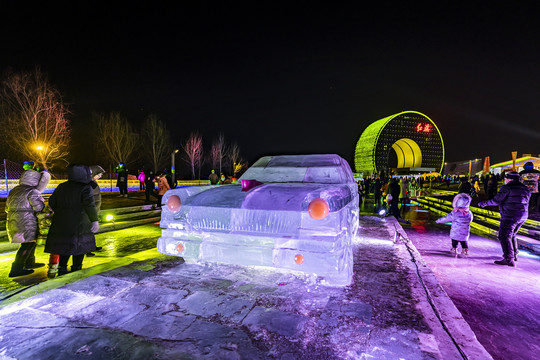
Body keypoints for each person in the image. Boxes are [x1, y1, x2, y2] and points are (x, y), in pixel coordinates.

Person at [44, 165, 99, 276]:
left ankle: (62, 268)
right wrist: (94, 220)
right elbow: (89, 205)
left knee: (64, 246)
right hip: (80, 221)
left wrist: (62, 212)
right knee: (80, 246)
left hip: (61, 222)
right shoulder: (85, 187)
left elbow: (52, 203)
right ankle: (76, 269)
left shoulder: (62, 186)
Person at [478, 171, 530, 266]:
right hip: (523, 215)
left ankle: (508, 258)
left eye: (505, 178)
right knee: (512, 235)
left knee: (504, 235)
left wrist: (483, 203)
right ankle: (513, 254)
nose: (504, 180)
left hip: (510, 215)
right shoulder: (525, 188)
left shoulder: (507, 187)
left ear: (510, 179)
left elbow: (496, 200)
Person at [6, 170, 50, 277]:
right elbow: (39, 208)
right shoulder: (32, 192)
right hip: (27, 221)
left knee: (30, 242)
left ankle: (30, 262)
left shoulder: (14, 190)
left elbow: (7, 208)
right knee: (28, 244)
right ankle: (16, 268)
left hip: (13, 221)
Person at [86, 165, 106, 258]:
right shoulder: (89, 183)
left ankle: (91, 247)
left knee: (91, 231)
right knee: (88, 231)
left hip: (94, 210)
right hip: (90, 211)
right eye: (98, 174)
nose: (100, 176)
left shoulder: (93, 182)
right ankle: (87, 249)